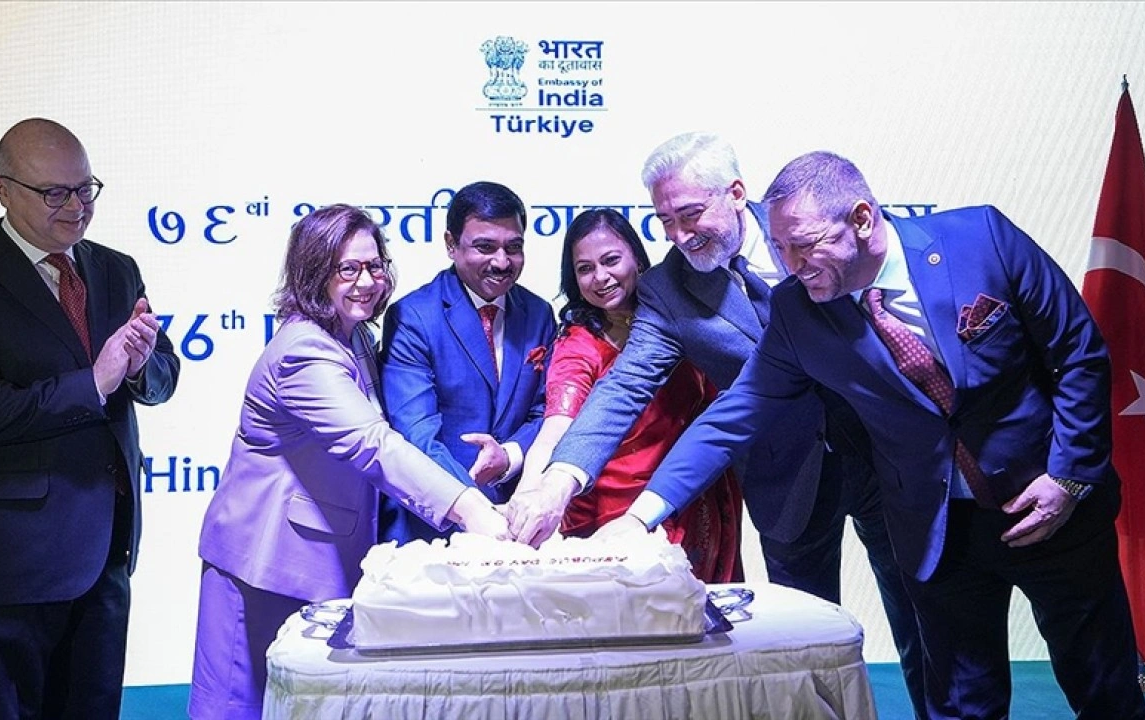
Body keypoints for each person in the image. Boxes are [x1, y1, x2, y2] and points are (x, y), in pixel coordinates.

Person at [601, 150, 1145, 719]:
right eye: (781, 248)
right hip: (937, 532)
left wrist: (1068, 475)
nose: (790, 265)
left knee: (1105, 693)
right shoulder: (797, 310)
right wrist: (641, 516)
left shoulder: (981, 240)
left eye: (805, 246)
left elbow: (1078, 354)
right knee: (963, 708)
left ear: (862, 219)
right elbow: (736, 412)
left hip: (1050, 509)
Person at [505, 132, 927, 718]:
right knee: (802, 650)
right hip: (787, 482)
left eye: (690, 214)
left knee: (926, 626)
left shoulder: (804, 229)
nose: (679, 235)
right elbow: (623, 388)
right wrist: (559, 481)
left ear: (735, 192)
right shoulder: (669, 289)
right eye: (665, 221)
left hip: (890, 461)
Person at [189, 205, 509, 720]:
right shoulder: (304, 351)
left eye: (374, 266)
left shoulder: (353, 333)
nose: (366, 282)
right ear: (315, 273)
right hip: (264, 567)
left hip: (319, 563)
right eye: (348, 269)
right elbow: (372, 444)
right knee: (239, 710)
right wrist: (470, 509)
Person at [0, 118, 180, 718]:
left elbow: (161, 376)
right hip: (4, 568)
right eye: (55, 193)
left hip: (104, 556)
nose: (77, 207)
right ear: (1, 190)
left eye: (85, 188)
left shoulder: (116, 269)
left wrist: (140, 367)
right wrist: (94, 382)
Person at [512, 208, 743, 582]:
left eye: (611, 260)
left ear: (637, 257)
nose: (600, 277)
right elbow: (556, 428)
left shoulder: (679, 315)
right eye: (585, 268)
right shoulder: (579, 344)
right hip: (614, 510)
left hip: (695, 492)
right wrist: (532, 494)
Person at [378, 181, 557, 544]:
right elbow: (416, 435)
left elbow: (548, 411)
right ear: (451, 244)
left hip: (519, 523)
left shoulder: (539, 313)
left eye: (514, 247)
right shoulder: (413, 316)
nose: (502, 262)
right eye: (485, 247)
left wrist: (510, 456)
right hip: (433, 529)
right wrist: (474, 508)